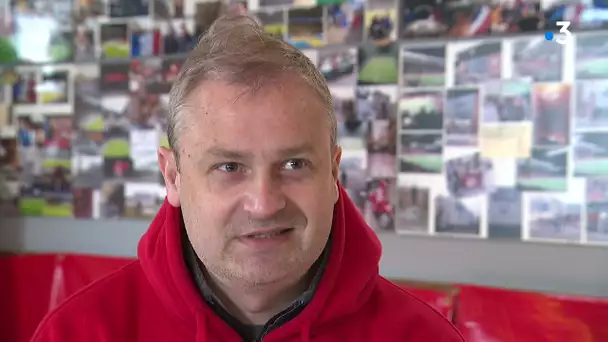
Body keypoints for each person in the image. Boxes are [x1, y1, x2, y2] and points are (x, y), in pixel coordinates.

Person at [32, 14, 464, 342]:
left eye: (294, 164)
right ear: (173, 177)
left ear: (333, 173)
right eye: (229, 167)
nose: (264, 202)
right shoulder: (78, 331)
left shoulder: (425, 337)